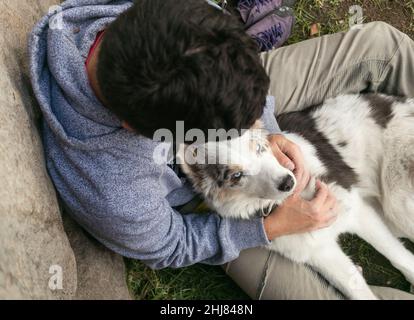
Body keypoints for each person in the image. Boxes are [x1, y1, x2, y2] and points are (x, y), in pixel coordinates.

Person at [29, 0, 414, 299]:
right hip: (216, 203)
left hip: (205, 90)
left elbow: (211, 17)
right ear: (158, 137)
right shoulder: (113, 190)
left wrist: (267, 130)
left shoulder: (162, 18)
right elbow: (171, 245)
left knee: (382, 44)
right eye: (238, 128)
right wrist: (268, 227)